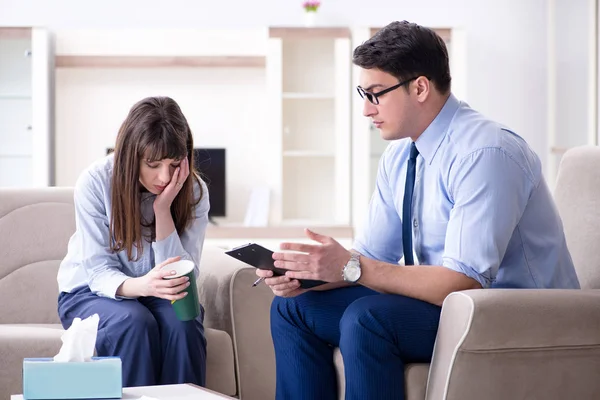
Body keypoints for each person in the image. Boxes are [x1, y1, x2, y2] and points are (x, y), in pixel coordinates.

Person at [256, 21, 581, 400]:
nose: (365, 110)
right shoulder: (399, 157)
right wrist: (309, 273)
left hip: (515, 315)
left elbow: (464, 282)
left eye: (375, 94)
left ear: (420, 87)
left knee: (367, 319)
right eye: (363, 93)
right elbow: (371, 258)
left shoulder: (486, 153)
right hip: (447, 307)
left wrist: (351, 266)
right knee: (292, 309)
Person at [57, 96, 210, 387]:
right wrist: (145, 286)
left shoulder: (194, 192)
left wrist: (162, 209)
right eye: (153, 164)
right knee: (133, 322)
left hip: (159, 292)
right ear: (132, 155)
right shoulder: (96, 181)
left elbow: (182, 276)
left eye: (174, 163)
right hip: (89, 292)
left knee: (184, 324)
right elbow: (98, 272)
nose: (165, 177)